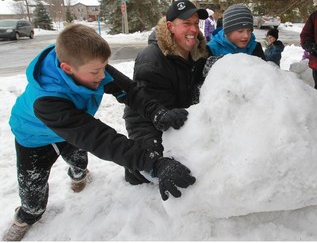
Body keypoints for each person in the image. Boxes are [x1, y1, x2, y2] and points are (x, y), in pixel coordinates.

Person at [4, 24, 195, 241]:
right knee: (33, 194)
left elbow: (130, 91)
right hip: (35, 138)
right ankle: (26, 217)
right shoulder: (46, 101)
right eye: (96, 72)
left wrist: (158, 113)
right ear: (67, 69)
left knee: (78, 162)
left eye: (104, 67)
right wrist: (154, 163)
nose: (103, 76)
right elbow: (100, 139)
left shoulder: (88, 63)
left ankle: (78, 174)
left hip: (74, 126)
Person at [123, 0, 208, 185]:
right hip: (149, 125)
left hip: (178, 117)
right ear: (170, 27)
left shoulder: (200, 53)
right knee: (167, 167)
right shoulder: (152, 60)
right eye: (186, 24)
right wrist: (153, 160)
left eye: (196, 24)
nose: (194, 30)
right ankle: (134, 170)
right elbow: (146, 114)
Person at [203, 3, 265, 77]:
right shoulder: (211, 49)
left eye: (249, 30)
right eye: (240, 31)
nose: (246, 36)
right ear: (228, 32)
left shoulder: (255, 48)